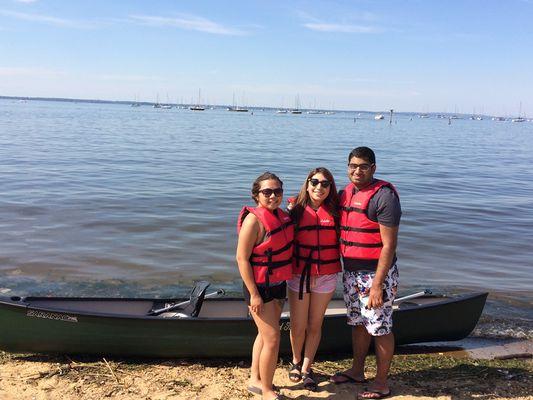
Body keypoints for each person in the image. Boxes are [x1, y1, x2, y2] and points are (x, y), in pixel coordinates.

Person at [330, 147, 401, 400]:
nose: (356, 171)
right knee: (358, 323)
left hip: (375, 275)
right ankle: (357, 371)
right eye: (352, 165)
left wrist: (377, 285)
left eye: (363, 166)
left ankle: (381, 383)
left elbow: (388, 245)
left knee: (380, 327)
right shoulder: (345, 193)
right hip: (351, 273)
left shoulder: (384, 197)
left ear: (373, 168)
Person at [236, 172, 294, 400]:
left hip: (278, 283)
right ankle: (267, 390)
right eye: (267, 192)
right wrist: (254, 294)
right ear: (256, 195)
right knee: (272, 339)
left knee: (263, 335)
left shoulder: (281, 216)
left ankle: (255, 379)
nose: (273, 195)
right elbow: (241, 259)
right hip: (259, 288)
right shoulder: (254, 221)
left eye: (277, 191)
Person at [286, 167, 341, 391]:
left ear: (331, 188)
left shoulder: (337, 212)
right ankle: (295, 362)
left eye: (325, 184)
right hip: (299, 275)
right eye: (315, 182)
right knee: (298, 325)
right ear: (307, 184)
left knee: (314, 324)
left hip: (327, 276)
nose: (319, 187)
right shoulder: (295, 211)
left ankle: (308, 368)